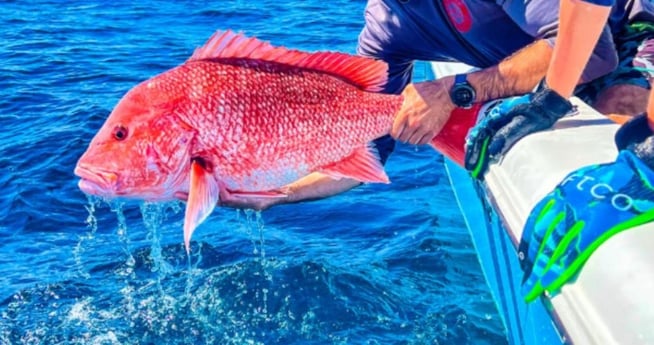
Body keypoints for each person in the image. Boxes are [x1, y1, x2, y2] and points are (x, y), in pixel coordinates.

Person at [220, 0, 654, 210]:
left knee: (623, 114)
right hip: (554, 66)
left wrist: (454, 92)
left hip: (628, 27)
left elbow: (592, 52)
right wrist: (275, 195)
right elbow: (368, 151)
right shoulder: (387, 26)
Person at [462, 0, 654, 302]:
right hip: (601, 29)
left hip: (639, 23)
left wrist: (647, 162)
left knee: (626, 101)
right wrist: (551, 98)